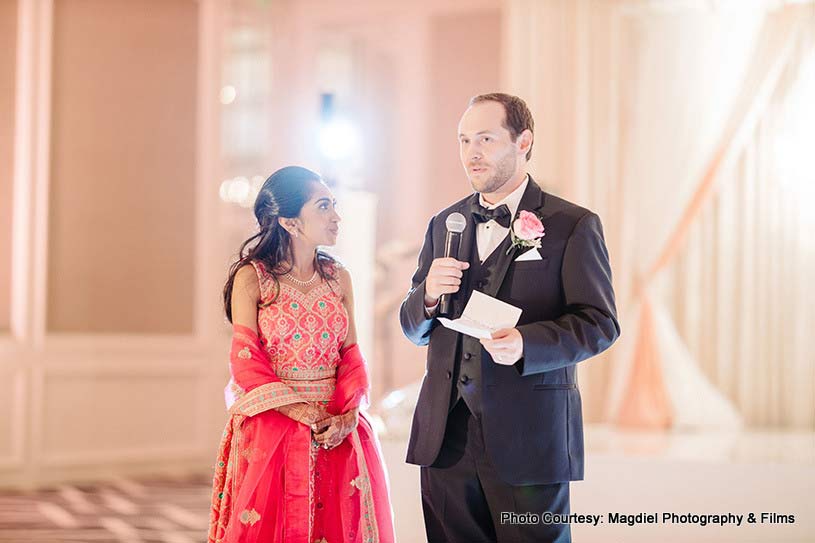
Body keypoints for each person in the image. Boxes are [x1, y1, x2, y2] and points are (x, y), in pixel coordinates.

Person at [399, 93, 620, 542]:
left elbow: (600, 323)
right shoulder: (445, 224)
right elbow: (412, 326)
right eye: (463, 140)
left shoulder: (571, 225)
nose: (471, 153)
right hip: (445, 439)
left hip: (530, 437)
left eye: (485, 138)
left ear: (523, 142)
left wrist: (527, 343)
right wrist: (425, 298)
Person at [208, 166, 395, 543]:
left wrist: (346, 416)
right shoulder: (254, 277)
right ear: (290, 222)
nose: (336, 216)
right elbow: (246, 359)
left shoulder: (337, 276)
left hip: (335, 427)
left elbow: (351, 355)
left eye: (334, 205)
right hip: (273, 425)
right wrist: (300, 412)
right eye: (324, 206)